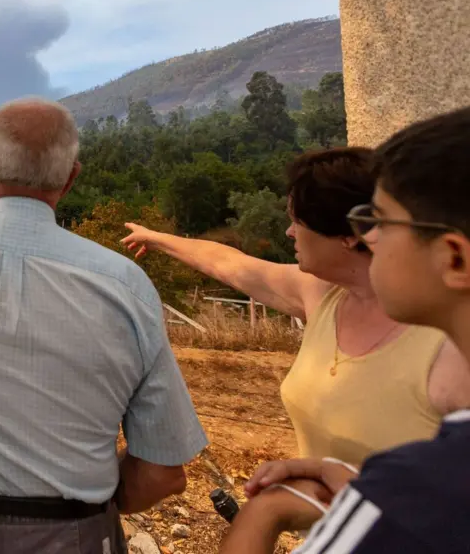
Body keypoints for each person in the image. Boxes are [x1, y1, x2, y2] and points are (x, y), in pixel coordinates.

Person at [0, 98, 208, 554]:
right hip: (75, 534)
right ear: (71, 177)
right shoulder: (125, 285)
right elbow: (162, 473)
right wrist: (85, 509)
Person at [219, 106, 470, 553]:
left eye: (380, 224)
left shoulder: (421, 487)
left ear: (454, 258)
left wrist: (268, 511)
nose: (370, 238)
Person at [120, 148, 470, 466]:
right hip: (326, 533)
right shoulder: (324, 295)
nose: (289, 232)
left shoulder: (449, 348)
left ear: (350, 234)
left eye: (297, 220)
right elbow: (228, 263)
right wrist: (155, 237)